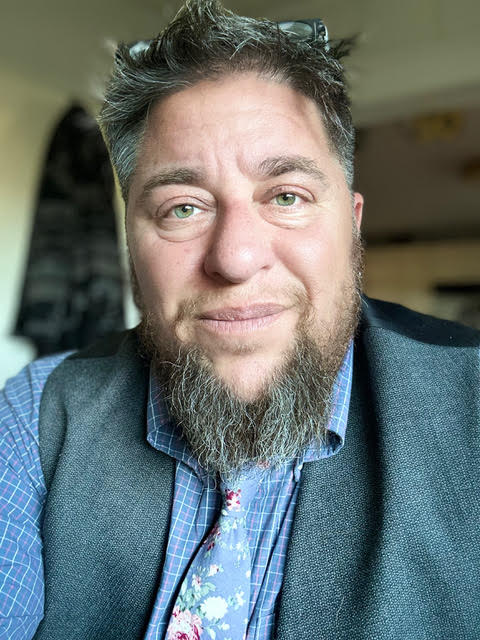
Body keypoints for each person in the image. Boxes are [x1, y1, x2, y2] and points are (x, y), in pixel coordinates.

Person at [1, 0, 479, 638]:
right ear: (130, 247)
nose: (235, 258)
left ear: (354, 227)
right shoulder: (37, 416)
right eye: (183, 208)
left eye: (287, 196)